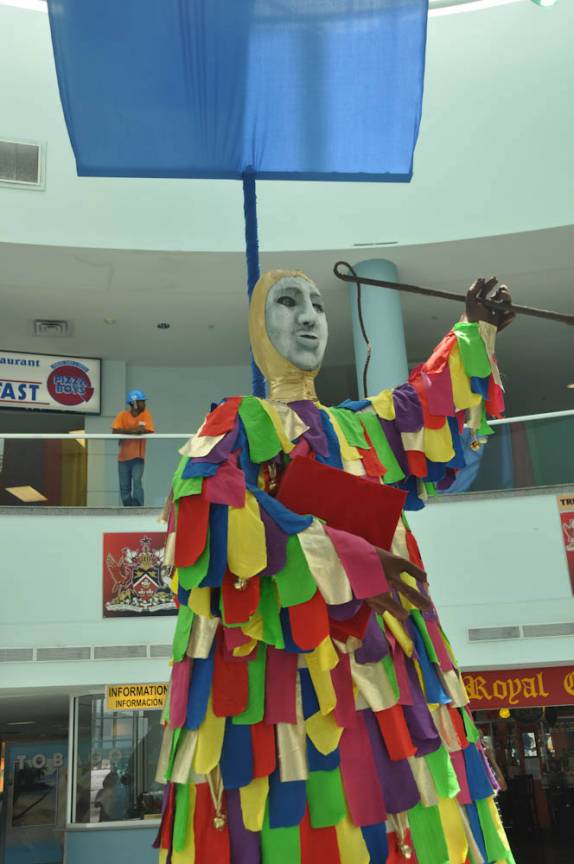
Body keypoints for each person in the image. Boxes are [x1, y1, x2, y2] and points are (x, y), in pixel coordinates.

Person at [155, 270, 516, 864]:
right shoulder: (237, 422)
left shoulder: (357, 427)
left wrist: (473, 328)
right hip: (274, 683)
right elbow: (202, 507)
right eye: (287, 302)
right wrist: (343, 559)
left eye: (319, 305)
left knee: (408, 801)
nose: (308, 317)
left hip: (386, 671)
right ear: (258, 328)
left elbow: (423, 407)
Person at [112, 390, 154, 506]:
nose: (144, 404)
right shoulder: (122, 415)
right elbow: (115, 431)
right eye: (142, 401)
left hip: (138, 457)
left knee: (137, 482)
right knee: (124, 487)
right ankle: (129, 509)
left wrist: (124, 431)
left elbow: (143, 430)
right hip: (123, 458)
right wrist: (133, 431)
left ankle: (138, 509)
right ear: (134, 403)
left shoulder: (145, 414)